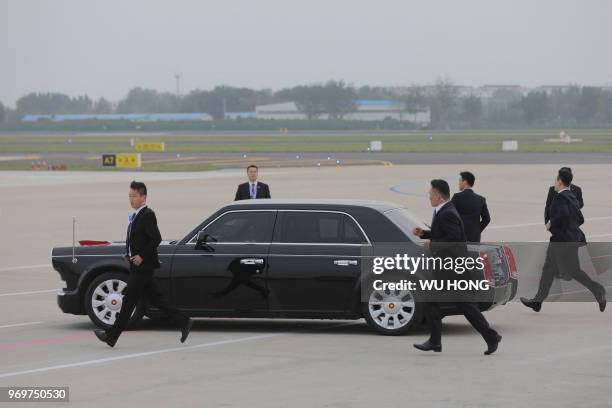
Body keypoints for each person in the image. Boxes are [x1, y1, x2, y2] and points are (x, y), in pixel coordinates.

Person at [94, 181, 193, 347]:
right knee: (157, 300)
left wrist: (141, 256)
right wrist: (130, 254)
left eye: (133, 196)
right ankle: (184, 321)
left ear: (143, 197)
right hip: (138, 265)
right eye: (129, 196)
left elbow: (156, 239)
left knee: (128, 302)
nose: (130, 199)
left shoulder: (148, 214)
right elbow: (137, 239)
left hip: (143, 267)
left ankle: (111, 336)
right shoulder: (136, 215)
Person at [412, 179, 501, 355]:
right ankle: (435, 341)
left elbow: (454, 239)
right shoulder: (444, 210)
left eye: (430, 193)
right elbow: (445, 233)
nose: (429, 196)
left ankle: (490, 336)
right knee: (434, 302)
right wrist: (425, 234)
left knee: (464, 305)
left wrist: (433, 244)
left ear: (438, 195)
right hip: (447, 267)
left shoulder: (448, 213)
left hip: (452, 268)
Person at [521, 169, 606, 313]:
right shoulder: (571, 196)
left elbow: (563, 213)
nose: (554, 182)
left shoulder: (561, 197)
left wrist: (551, 223)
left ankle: (538, 301)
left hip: (561, 241)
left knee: (552, 269)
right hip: (571, 239)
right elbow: (581, 218)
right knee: (569, 270)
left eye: (556, 180)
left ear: (560, 181)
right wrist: (571, 228)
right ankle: (598, 291)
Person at [451, 171, 491, 242]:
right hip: (474, 238)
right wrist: (477, 231)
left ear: (465, 182)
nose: (459, 183)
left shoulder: (457, 197)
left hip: (459, 238)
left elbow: (449, 215)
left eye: (460, 181)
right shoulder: (481, 199)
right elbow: (487, 219)